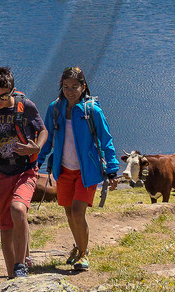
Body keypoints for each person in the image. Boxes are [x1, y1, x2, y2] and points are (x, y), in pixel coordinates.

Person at [36, 67, 120, 273]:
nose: (70, 91)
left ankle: (83, 254)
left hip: (87, 171)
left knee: (77, 211)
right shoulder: (55, 109)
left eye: (75, 87)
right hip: (63, 170)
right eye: (66, 86)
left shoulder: (92, 111)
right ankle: (79, 246)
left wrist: (112, 170)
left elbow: (106, 140)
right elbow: (47, 138)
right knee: (68, 212)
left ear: (83, 87)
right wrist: (37, 162)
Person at [0, 66, 47, 279]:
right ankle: (11, 276)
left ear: (12, 90)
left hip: (25, 170)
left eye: (4, 96)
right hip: (0, 172)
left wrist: (37, 147)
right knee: (5, 226)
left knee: (18, 209)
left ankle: (21, 264)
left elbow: (43, 130)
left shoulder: (26, 106)